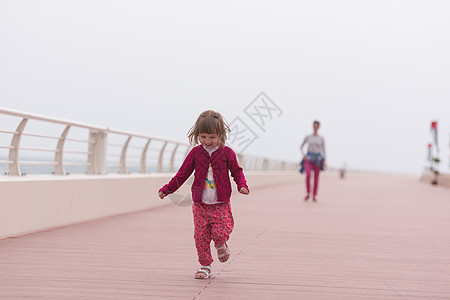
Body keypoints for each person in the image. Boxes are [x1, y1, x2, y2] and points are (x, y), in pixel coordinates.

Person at [158, 110, 250, 280]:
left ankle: (221, 244)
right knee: (200, 237)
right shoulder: (195, 153)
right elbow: (182, 174)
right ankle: (205, 266)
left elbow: (237, 171)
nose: (207, 142)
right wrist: (167, 189)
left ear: (221, 135)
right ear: (197, 135)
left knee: (219, 233)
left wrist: (242, 185)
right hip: (200, 205)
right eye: (203, 137)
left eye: (212, 137)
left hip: (220, 204)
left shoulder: (227, 153)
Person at [300, 120, 326, 202]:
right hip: (309, 158)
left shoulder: (321, 138)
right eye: (314, 126)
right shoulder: (308, 137)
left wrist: (325, 161)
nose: (315, 127)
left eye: (317, 126)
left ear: (319, 127)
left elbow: (324, 150)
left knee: (316, 178)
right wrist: (303, 155)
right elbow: (301, 147)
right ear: (312, 126)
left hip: (318, 159)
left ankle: (314, 195)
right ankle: (308, 193)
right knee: (308, 175)